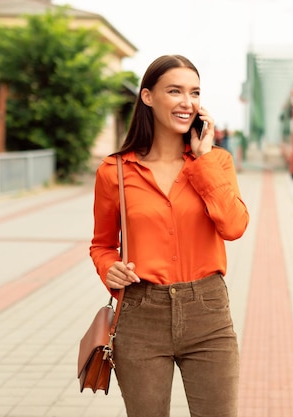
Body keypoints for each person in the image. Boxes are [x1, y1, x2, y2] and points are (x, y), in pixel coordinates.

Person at [89, 54, 249, 417]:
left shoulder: (216, 163)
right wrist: (109, 269)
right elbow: (101, 245)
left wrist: (203, 159)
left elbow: (234, 227)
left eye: (194, 93)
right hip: (140, 313)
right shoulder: (114, 171)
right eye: (174, 91)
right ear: (147, 96)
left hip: (207, 312)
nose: (187, 102)